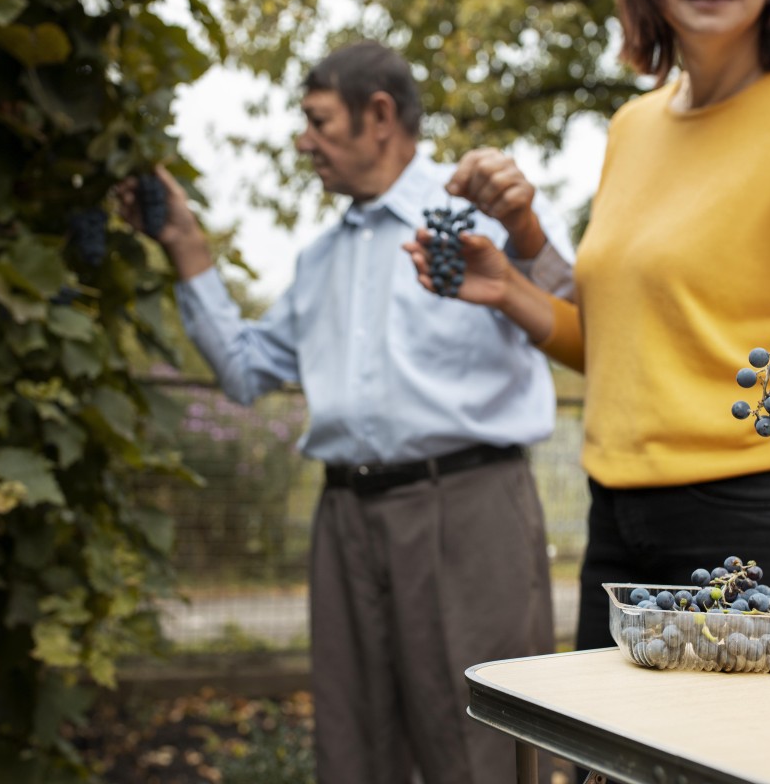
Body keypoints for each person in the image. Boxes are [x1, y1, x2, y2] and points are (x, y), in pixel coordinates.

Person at [405, 0, 770, 659]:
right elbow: (626, 354)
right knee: (612, 763)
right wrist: (510, 287)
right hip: (618, 527)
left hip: (767, 520)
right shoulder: (633, 125)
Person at [118, 41, 575, 784]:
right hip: (346, 524)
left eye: (318, 120)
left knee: (482, 749)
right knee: (353, 750)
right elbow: (242, 371)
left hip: (469, 511)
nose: (303, 140)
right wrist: (185, 243)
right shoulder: (319, 261)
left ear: (381, 116)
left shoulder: (484, 212)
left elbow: (578, 316)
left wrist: (524, 230)